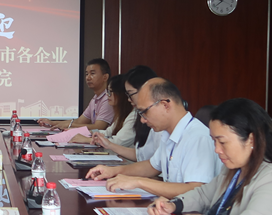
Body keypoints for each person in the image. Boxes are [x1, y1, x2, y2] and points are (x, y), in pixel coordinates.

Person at [87, 78, 219, 198]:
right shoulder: (168, 133)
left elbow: (195, 189)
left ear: (165, 105)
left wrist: (138, 182)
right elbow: (151, 166)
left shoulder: (198, 137)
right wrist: (113, 171)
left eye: (144, 112)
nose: (142, 120)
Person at [88, 66, 163, 162]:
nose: (129, 99)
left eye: (130, 94)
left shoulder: (141, 118)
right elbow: (141, 156)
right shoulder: (134, 115)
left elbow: (120, 142)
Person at [38, 58, 113, 131]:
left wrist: (69, 125)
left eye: (92, 73)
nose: (88, 78)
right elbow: (79, 121)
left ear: (105, 77)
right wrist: (52, 123)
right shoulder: (95, 99)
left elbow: (99, 127)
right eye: (87, 74)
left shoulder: (108, 99)